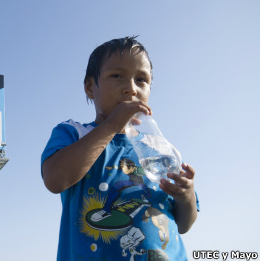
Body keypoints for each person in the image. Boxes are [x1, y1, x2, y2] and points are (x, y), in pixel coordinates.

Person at [41, 36, 199, 261]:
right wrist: (112, 125)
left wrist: (187, 196)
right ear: (89, 87)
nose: (131, 89)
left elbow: (183, 224)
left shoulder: (160, 148)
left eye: (141, 80)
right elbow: (55, 179)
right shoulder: (74, 133)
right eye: (117, 76)